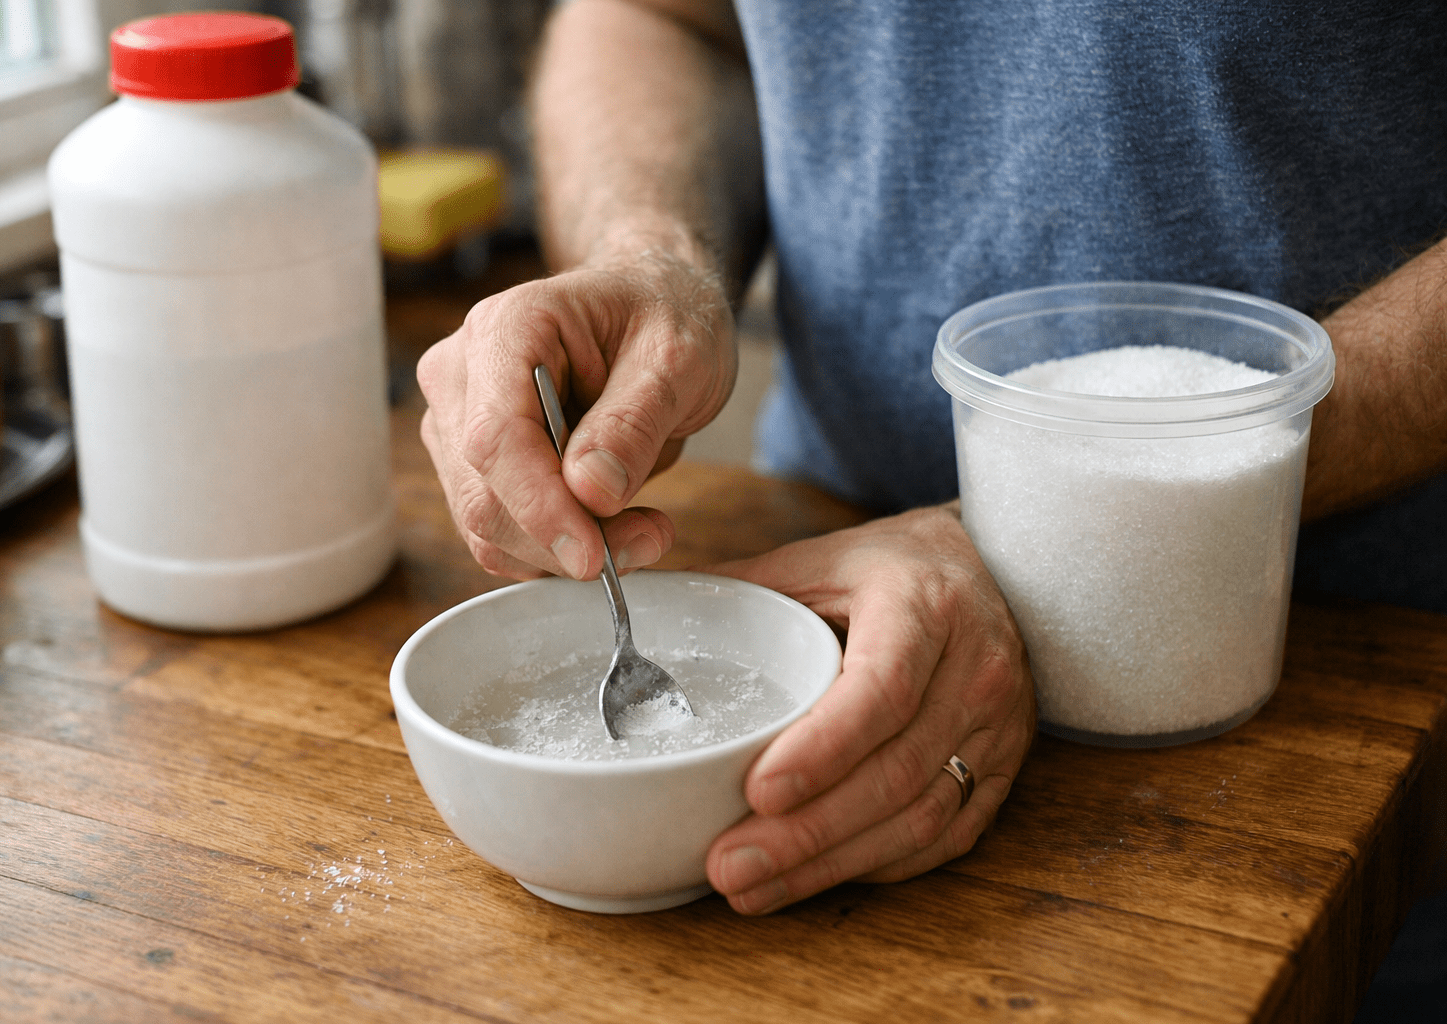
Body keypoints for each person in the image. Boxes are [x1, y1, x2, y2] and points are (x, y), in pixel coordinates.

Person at [415, 0, 1447, 929]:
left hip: (1355, 696)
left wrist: (1011, 536)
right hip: (834, 569)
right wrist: (649, 255)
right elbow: (666, 20)